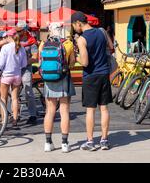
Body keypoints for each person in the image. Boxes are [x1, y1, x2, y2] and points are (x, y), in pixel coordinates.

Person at [0, 22, 39, 124]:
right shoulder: (13, 39)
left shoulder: (31, 41)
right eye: (16, 31)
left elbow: (35, 57)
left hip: (25, 68)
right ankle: (15, 116)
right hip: (16, 70)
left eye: (19, 31)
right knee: (14, 95)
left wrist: (19, 64)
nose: (17, 33)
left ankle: (32, 115)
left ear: (25, 30)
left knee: (28, 91)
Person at [71, 11, 112, 151]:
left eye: (73, 26)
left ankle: (90, 142)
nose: (74, 29)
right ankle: (104, 140)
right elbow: (111, 47)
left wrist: (75, 57)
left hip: (91, 76)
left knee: (90, 110)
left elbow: (85, 62)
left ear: (78, 23)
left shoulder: (81, 39)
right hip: (104, 73)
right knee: (104, 108)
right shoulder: (102, 32)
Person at [39, 23, 76, 153]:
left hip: (49, 81)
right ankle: (65, 144)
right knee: (64, 111)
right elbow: (72, 62)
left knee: (50, 111)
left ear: (50, 31)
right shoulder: (68, 44)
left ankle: (48, 143)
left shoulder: (43, 44)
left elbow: (40, 63)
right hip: (64, 78)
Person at [0, 29, 27, 128]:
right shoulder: (21, 48)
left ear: (9, 37)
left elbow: (1, 63)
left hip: (6, 75)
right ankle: (15, 120)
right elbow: (24, 64)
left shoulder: (5, 48)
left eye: (6, 37)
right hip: (17, 75)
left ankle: (3, 121)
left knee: (3, 98)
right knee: (14, 98)